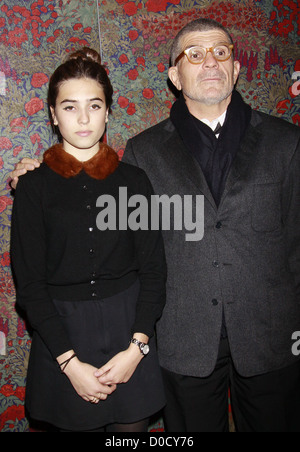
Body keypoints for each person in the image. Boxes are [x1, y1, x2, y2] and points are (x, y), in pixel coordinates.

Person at [11, 19, 300, 432]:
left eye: (221, 52)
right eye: (193, 55)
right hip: (185, 341)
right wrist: (38, 171)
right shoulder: (143, 152)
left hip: (270, 337)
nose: (210, 62)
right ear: (173, 75)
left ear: (237, 68)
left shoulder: (287, 143)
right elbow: (88, 205)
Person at [10, 48, 167, 433]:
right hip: (61, 337)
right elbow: (30, 285)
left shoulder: (135, 182)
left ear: (108, 112)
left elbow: (154, 270)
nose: (83, 118)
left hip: (130, 335)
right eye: (69, 107)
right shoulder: (33, 187)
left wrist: (137, 350)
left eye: (94, 106)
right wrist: (70, 363)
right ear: (52, 114)